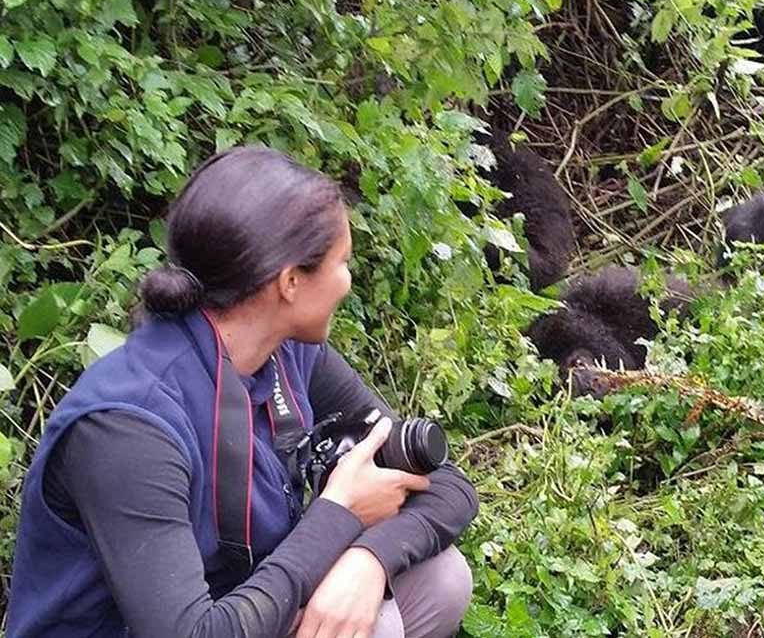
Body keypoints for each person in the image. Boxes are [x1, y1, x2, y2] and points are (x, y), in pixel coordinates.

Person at [8, 146, 479, 638]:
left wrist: (368, 558)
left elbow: (446, 484)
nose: (348, 282)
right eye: (343, 262)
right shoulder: (128, 428)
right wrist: (337, 516)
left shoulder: (288, 354)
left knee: (439, 579)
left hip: (242, 604)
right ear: (290, 282)